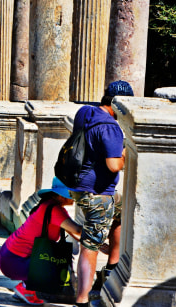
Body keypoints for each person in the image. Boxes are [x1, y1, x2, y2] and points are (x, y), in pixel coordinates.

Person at [71, 81, 132, 307]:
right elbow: (114, 165)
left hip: (79, 186)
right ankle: (82, 299)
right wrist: (127, 155)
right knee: (91, 244)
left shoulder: (85, 113)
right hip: (97, 193)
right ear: (118, 104)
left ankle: (112, 269)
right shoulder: (111, 127)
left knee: (121, 210)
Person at [0, 178, 83, 305]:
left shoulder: (51, 206)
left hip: (9, 256)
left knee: (56, 262)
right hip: (13, 260)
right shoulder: (54, 209)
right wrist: (100, 235)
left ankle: (26, 286)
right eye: (72, 194)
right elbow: (77, 229)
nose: (74, 198)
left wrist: (97, 244)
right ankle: (26, 289)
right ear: (61, 196)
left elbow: (74, 232)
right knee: (55, 264)